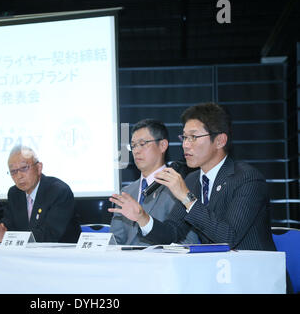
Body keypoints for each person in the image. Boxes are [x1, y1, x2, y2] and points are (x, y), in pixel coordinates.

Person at [109, 103, 277, 251]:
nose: (185, 145)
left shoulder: (247, 179)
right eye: (184, 137)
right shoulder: (192, 179)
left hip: (254, 275)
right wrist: (142, 217)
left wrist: (187, 198)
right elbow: (172, 233)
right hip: (216, 275)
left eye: (193, 137)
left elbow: (228, 238)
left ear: (219, 141)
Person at [110, 119, 198, 245]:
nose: (136, 151)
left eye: (142, 144)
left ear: (163, 145)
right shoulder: (127, 192)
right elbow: (115, 241)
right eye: (133, 145)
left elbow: (189, 242)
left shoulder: (179, 188)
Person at [0, 145, 81, 243]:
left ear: (39, 168)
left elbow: (49, 235)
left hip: (61, 254)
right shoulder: (14, 193)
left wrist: (5, 236)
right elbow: (9, 225)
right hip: (26, 256)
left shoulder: (58, 191)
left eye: (24, 168)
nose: (19, 176)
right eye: (13, 171)